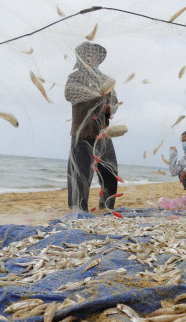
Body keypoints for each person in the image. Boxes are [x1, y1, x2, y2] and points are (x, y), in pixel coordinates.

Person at [64, 41, 119, 212]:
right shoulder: (75, 77)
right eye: (88, 54)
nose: (91, 57)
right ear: (80, 57)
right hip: (81, 133)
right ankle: (79, 211)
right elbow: (70, 95)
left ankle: (106, 208)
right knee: (79, 176)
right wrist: (96, 96)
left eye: (95, 55)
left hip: (102, 134)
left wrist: (110, 107)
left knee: (110, 173)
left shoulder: (106, 79)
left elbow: (115, 102)